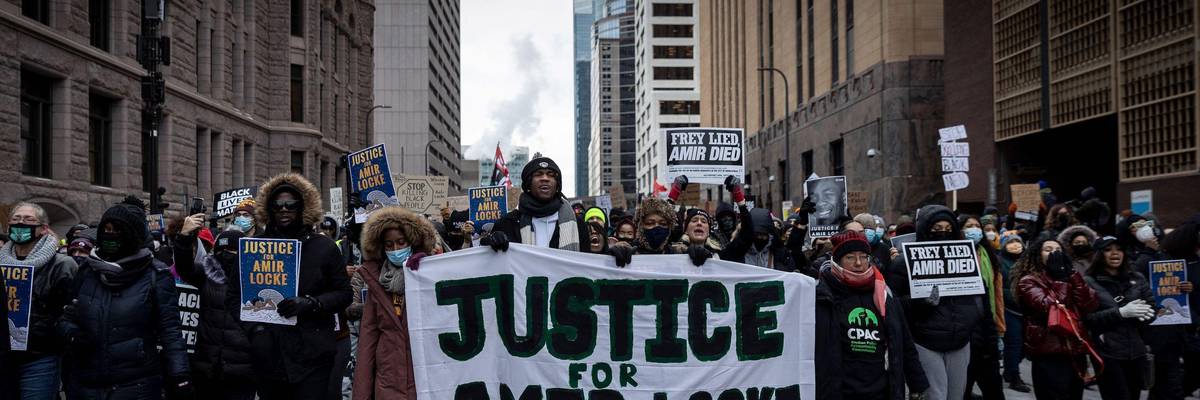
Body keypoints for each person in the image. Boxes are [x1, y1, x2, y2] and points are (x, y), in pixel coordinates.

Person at [57, 196, 192, 399]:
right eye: (106, 230)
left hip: (136, 384)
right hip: (86, 382)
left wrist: (180, 376)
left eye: (117, 230)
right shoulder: (87, 270)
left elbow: (170, 331)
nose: (110, 235)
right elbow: (64, 317)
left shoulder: (156, 275)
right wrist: (72, 334)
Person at [249, 173, 353, 400]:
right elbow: (233, 295)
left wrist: (312, 303)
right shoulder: (255, 248)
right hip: (269, 356)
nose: (284, 210)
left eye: (291, 205)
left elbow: (344, 294)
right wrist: (254, 332)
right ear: (269, 209)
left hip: (312, 355)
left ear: (302, 207)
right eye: (277, 205)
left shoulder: (324, 247)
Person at [815, 231, 929, 400]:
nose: (858, 263)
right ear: (837, 261)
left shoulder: (883, 293)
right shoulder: (822, 296)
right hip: (840, 390)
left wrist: (917, 383)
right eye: (850, 257)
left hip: (881, 390)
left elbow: (903, 341)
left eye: (863, 256)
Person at [888, 205, 984, 400]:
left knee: (956, 395)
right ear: (925, 229)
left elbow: (979, 299)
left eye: (948, 229)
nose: (943, 233)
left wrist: (976, 323)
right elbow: (893, 305)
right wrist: (919, 303)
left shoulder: (967, 258)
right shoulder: (904, 262)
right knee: (935, 396)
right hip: (925, 341)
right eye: (936, 229)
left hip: (960, 341)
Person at [353, 206, 437, 400]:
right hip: (388, 382)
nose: (396, 250)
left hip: (426, 380)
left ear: (413, 242)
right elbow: (367, 341)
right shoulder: (376, 283)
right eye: (389, 245)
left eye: (401, 243)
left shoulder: (432, 276)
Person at [0, 202, 79, 400]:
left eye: (28, 220)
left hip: (40, 357)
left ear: (44, 229)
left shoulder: (62, 265)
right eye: (16, 219)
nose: (21, 224)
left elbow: (71, 311)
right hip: (4, 356)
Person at [172, 223, 257, 400]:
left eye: (232, 251)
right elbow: (184, 267)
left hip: (241, 370)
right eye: (222, 251)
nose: (226, 256)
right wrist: (184, 239)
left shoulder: (254, 282)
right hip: (207, 367)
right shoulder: (207, 276)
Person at [1013, 239, 1099, 400]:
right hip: (1049, 351)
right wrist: (1060, 280)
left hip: (1074, 350)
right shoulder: (1029, 281)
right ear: (1038, 255)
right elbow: (1053, 308)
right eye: (1048, 249)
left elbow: (1089, 303)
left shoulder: (1070, 276)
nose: (1054, 253)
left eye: (1058, 249)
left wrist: (1072, 275)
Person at [1082, 236, 1156, 400]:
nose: (1114, 253)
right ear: (1099, 254)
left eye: (1119, 249)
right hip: (1108, 352)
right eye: (1108, 250)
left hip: (1136, 351)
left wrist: (1146, 314)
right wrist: (1121, 313)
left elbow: (1151, 307)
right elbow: (1087, 319)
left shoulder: (1137, 278)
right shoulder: (1089, 282)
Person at [486, 157, 586, 252]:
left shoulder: (578, 224)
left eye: (550, 175)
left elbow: (588, 263)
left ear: (557, 185)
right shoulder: (508, 223)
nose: (545, 178)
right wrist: (490, 243)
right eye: (538, 174)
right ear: (528, 184)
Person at [959, 215, 1006, 400]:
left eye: (976, 226)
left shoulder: (990, 256)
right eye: (968, 226)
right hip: (964, 334)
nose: (974, 229)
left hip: (987, 331)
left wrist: (999, 330)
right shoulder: (953, 255)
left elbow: (998, 296)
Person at [996, 232, 1032, 392]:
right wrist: (1017, 295)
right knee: (1014, 343)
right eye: (1011, 242)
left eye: (1018, 241)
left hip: (1027, 310)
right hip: (1009, 309)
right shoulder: (999, 262)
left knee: (1024, 345)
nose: (1015, 244)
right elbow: (999, 288)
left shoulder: (1028, 262)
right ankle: (1014, 376)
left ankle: (1010, 371)